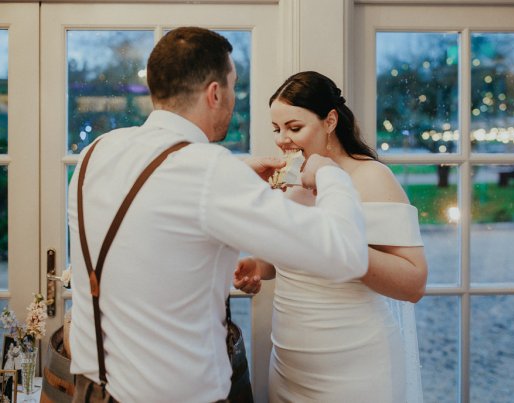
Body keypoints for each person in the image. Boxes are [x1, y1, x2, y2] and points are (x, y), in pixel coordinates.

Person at [67, 29, 369, 403]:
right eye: (233, 86)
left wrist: (238, 177)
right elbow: (347, 253)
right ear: (214, 93)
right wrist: (329, 174)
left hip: (88, 390)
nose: (233, 98)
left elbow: (156, 215)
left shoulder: (95, 153)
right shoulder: (209, 170)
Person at [234, 71, 428, 402]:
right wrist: (255, 266)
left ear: (330, 121)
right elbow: (281, 262)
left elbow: (413, 284)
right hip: (289, 365)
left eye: (295, 128)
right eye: (277, 129)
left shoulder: (371, 178)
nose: (283, 139)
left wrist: (341, 245)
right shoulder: (289, 182)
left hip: (356, 366)